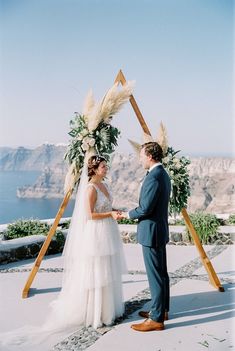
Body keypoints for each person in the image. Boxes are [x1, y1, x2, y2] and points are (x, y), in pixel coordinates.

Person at [0, 155, 126, 349]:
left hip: (108, 230)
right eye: (103, 166)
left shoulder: (105, 186)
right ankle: (94, 312)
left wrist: (114, 211)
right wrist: (109, 214)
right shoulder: (90, 188)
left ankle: (108, 310)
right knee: (97, 271)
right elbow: (90, 215)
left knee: (108, 269)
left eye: (105, 166)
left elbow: (107, 206)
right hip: (96, 233)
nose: (106, 168)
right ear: (93, 169)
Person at [122, 142, 171, 332]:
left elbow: (145, 208)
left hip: (151, 232)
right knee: (162, 274)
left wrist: (127, 214)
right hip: (159, 230)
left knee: (155, 276)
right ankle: (161, 309)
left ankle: (157, 319)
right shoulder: (162, 174)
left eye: (141, 155)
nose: (139, 159)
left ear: (150, 156)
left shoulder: (154, 177)